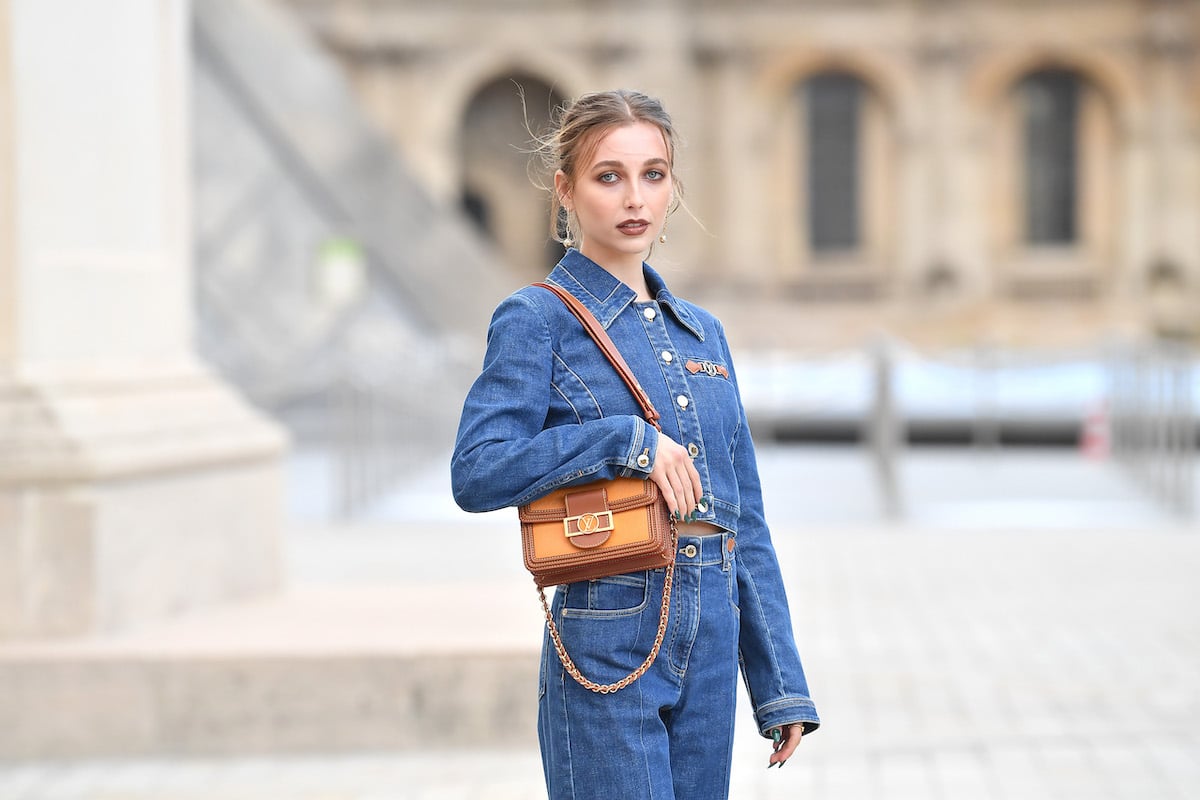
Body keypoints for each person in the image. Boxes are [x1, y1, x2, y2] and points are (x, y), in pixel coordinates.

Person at [451, 88, 818, 799]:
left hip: (712, 625)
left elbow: (746, 518)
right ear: (565, 190)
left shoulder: (702, 334)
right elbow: (478, 469)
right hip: (611, 622)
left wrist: (780, 684)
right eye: (608, 175)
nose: (634, 199)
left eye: (653, 174)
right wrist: (622, 440)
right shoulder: (537, 319)